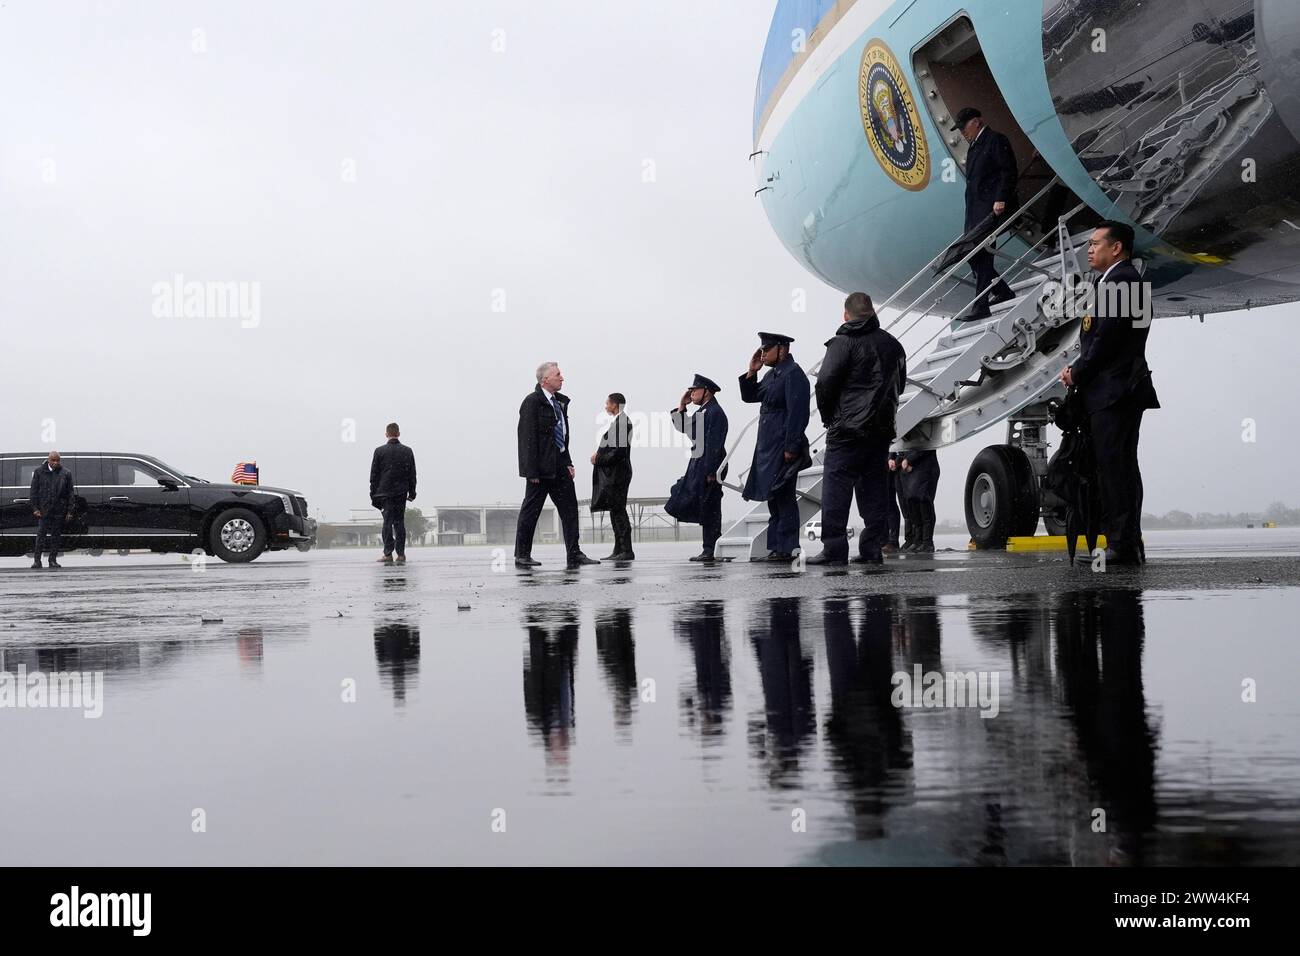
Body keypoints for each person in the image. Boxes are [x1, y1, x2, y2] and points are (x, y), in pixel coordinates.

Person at [1060, 220, 1159, 566]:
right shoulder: (1115, 281)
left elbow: (1106, 341)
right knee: (1116, 466)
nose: (1089, 249)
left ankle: (1123, 544)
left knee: (1116, 468)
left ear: (1116, 248)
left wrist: (1077, 372)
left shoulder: (1123, 281)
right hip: (1113, 389)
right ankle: (1124, 541)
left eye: (1095, 243)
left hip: (1116, 390)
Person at [807, 293, 907, 566]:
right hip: (880, 432)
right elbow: (902, 384)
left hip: (846, 431)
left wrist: (831, 419)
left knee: (836, 493)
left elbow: (825, 384)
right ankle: (872, 549)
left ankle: (835, 550)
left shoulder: (842, 343)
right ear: (872, 313)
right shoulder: (893, 346)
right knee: (875, 493)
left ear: (846, 315)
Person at [516, 362, 600, 570]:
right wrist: (530, 470)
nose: (562, 378)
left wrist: (568, 461)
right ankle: (522, 554)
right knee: (531, 511)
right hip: (540, 470)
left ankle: (574, 553)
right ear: (545, 379)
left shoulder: (559, 403)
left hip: (560, 466)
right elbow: (526, 438)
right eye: (558, 374)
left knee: (570, 510)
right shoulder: (532, 402)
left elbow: (561, 435)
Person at [739, 332, 811, 562]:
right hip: (769, 446)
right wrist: (752, 372)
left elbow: (798, 414)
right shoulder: (773, 375)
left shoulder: (793, 375)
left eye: (767, 349)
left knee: (784, 497)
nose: (763, 353)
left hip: (782, 445)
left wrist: (791, 446)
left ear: (782, 349)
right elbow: (750, 397)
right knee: (774, 498)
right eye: (761, 350)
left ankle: (788, 547)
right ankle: (776, 547)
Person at [952, 107, 1019, 321]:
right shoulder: (974, 146)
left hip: (991, 207)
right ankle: (1002, 291)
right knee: (970, 254)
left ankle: (981, 306)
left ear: (976, 122)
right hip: (975, 210)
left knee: (983, 254)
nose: (962, 132)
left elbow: (1008, 170)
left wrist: (1001, 198)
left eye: (964, 126)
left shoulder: (995, 140)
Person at [668, 374, 729, 562]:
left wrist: (711, 471)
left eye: (695, 390)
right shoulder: (703, 411)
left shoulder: (715, 412)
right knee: (701, 504)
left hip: (709, 463)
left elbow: (715, 444)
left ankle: (711, 548)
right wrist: (682, 406)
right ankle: (709, 548)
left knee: (710, 506)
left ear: (707, 392)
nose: (691, 393)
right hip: (699, 462)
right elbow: (685, 429)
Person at [591, 392, 634, 561]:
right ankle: (619, 549)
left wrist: (599, 458)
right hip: (615, 474)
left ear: (614, 404)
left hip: (619, 474)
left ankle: (626, 550)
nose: (605, 406)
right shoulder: (619, 422)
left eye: (607, 403)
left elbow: (619, 452)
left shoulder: (623, 423)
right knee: (615, 510)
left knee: (619, 510)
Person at [369, 423, 417, 564]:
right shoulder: (407, 451)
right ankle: (401, 554)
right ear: (399, 433)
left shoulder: (379, 451)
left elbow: (374, 475)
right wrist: (412, 492)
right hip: (401, 492)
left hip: (384, 493)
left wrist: (373, 493)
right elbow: (412, 474)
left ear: (386, 434)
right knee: (399, 523)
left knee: (387, 523)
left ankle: (388, 553)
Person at [30, 450, 74, 570]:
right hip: (44, 510)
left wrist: (70, 510)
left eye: (58, 460)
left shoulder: (66, 473)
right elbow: (33, 492)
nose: (56, 463)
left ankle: (52, 560)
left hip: (59, 510)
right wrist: (35, 508)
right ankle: (37, 561)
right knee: (41, 535)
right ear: (48, 460)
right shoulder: (39, 472)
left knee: (56, 536)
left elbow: (70, 493)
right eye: (53, 460)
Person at [897, 449, 940, 553]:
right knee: (913, 505)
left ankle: (927, 542)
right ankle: (918, 540)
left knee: (924, 503)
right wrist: (902, 460)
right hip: (912, 469)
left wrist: (909, 459)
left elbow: (925, 446)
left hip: (925, 468)